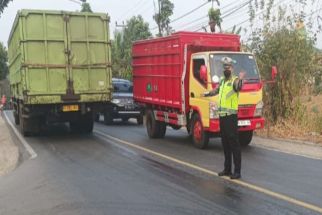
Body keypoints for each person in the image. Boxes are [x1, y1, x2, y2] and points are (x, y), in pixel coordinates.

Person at [203, 57, 245, 179]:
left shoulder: (235, 80)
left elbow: (238, 87)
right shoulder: (222, 81)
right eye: (224, 67)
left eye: (228, 67)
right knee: (225, 144)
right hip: (222, 117)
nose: (226, 69)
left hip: (231, 117)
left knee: (234, 144)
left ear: (232, 68)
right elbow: (216, 91)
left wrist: (241, 79)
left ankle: (237, 171)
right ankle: (227, 169)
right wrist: (207, 93)